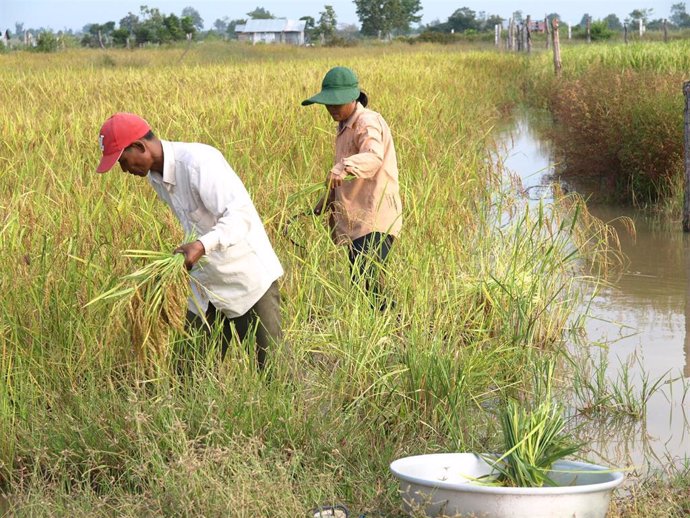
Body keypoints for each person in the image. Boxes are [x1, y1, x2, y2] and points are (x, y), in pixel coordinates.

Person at [95, 112, 283, 371]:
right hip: (207, 284)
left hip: (246, 280)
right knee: (186, 371)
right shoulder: (156, 177)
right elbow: (195, 225)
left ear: (139, 146)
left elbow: (240, 216)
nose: (125, 170)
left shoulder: (199, 163)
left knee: (273, 368)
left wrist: (201, 246)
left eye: (123, 161)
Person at [302, 67, 402, 309]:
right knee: (361, 280)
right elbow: (345, 179)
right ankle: (384, 329)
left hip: (374, 216)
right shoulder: (345, 124)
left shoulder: (366, 123)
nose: (332, 109)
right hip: (358, 218)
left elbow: (373, 156)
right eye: (328, 104)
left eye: (338, 103)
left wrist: (342, 167)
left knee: (368, 280)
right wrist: (324, 203)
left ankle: (393, 329)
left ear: (354, 97)